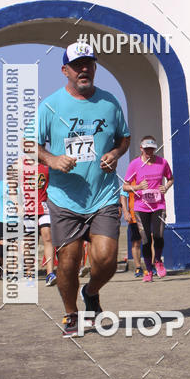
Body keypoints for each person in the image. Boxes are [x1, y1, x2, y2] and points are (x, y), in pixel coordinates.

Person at [37, 42, 130, 336]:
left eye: (89, 63)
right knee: (68, 261)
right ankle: (71, 313)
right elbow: (30, 144)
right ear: (65, 70)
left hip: (102, 195)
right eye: (77, 65)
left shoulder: (110, 102)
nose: (84, 69)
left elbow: (124, 138)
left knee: (107, 259)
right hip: (65, 199)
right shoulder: (50, 105)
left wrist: (115, 155)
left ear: (95, 67)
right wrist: (52, 159)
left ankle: (91, 292)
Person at [122, 137, 173, 282]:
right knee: (145, 240)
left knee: (158, 236)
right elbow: (125, 186)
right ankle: (148, 271)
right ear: (141, 148)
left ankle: (158, 261)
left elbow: (171, 178)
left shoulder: (162, 162)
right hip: (141, 207)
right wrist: (137, 187)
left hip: (158, 205)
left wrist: (166, 187)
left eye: (152, 149)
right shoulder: (134, 164)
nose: (149, 151)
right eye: (147, 149)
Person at [36, 162, 56, 286]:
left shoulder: (47, 167)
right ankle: (28, 273)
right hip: (27, 208)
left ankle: (50, 274)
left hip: (43, 207)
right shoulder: (20, 165)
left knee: (48, 237)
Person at [120, 187, 143, 277]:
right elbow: (123, 195)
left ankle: (152, 266)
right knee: (136, 242)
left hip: (149, 213)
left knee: (151, 239)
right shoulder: (130, 178)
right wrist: (125, 212)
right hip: (134, 216)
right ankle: (138, 267)